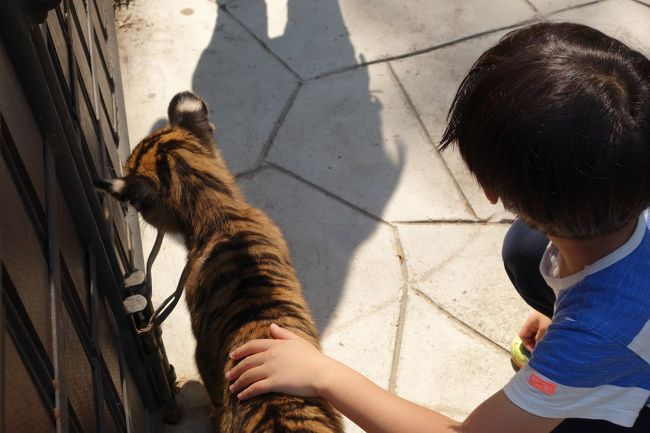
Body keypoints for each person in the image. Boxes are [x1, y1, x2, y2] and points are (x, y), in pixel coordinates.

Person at [225, 22, 650, 432]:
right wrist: (561, 315)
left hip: (624, 365)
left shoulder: (592, 336)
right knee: (525, 249)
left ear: (488, 187)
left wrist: (324, 375)